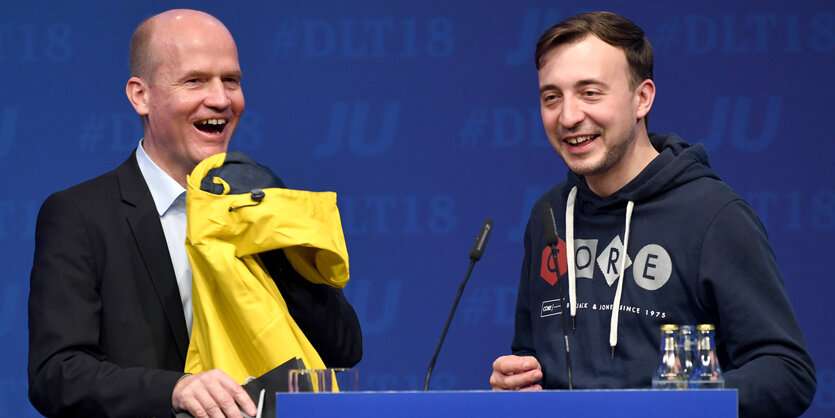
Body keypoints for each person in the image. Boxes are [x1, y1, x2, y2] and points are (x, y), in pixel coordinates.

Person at [28, 9, 361, 418]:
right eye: (195, 81)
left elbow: (343, 348)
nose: (221, 99)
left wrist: (275, 231)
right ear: (140, 95)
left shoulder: (260, 202)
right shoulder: (81, 215)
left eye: (231, 81)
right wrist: (176, 390)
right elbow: (57, 373)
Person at [489, 11, 816, 418]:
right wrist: (517, 377)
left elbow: (788, 372)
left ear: (642, 98)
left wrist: (682, 404)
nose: (568, 117)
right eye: (551, 97)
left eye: (590, 93)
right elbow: (532, 353)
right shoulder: (548, 215)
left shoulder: (713, 215)